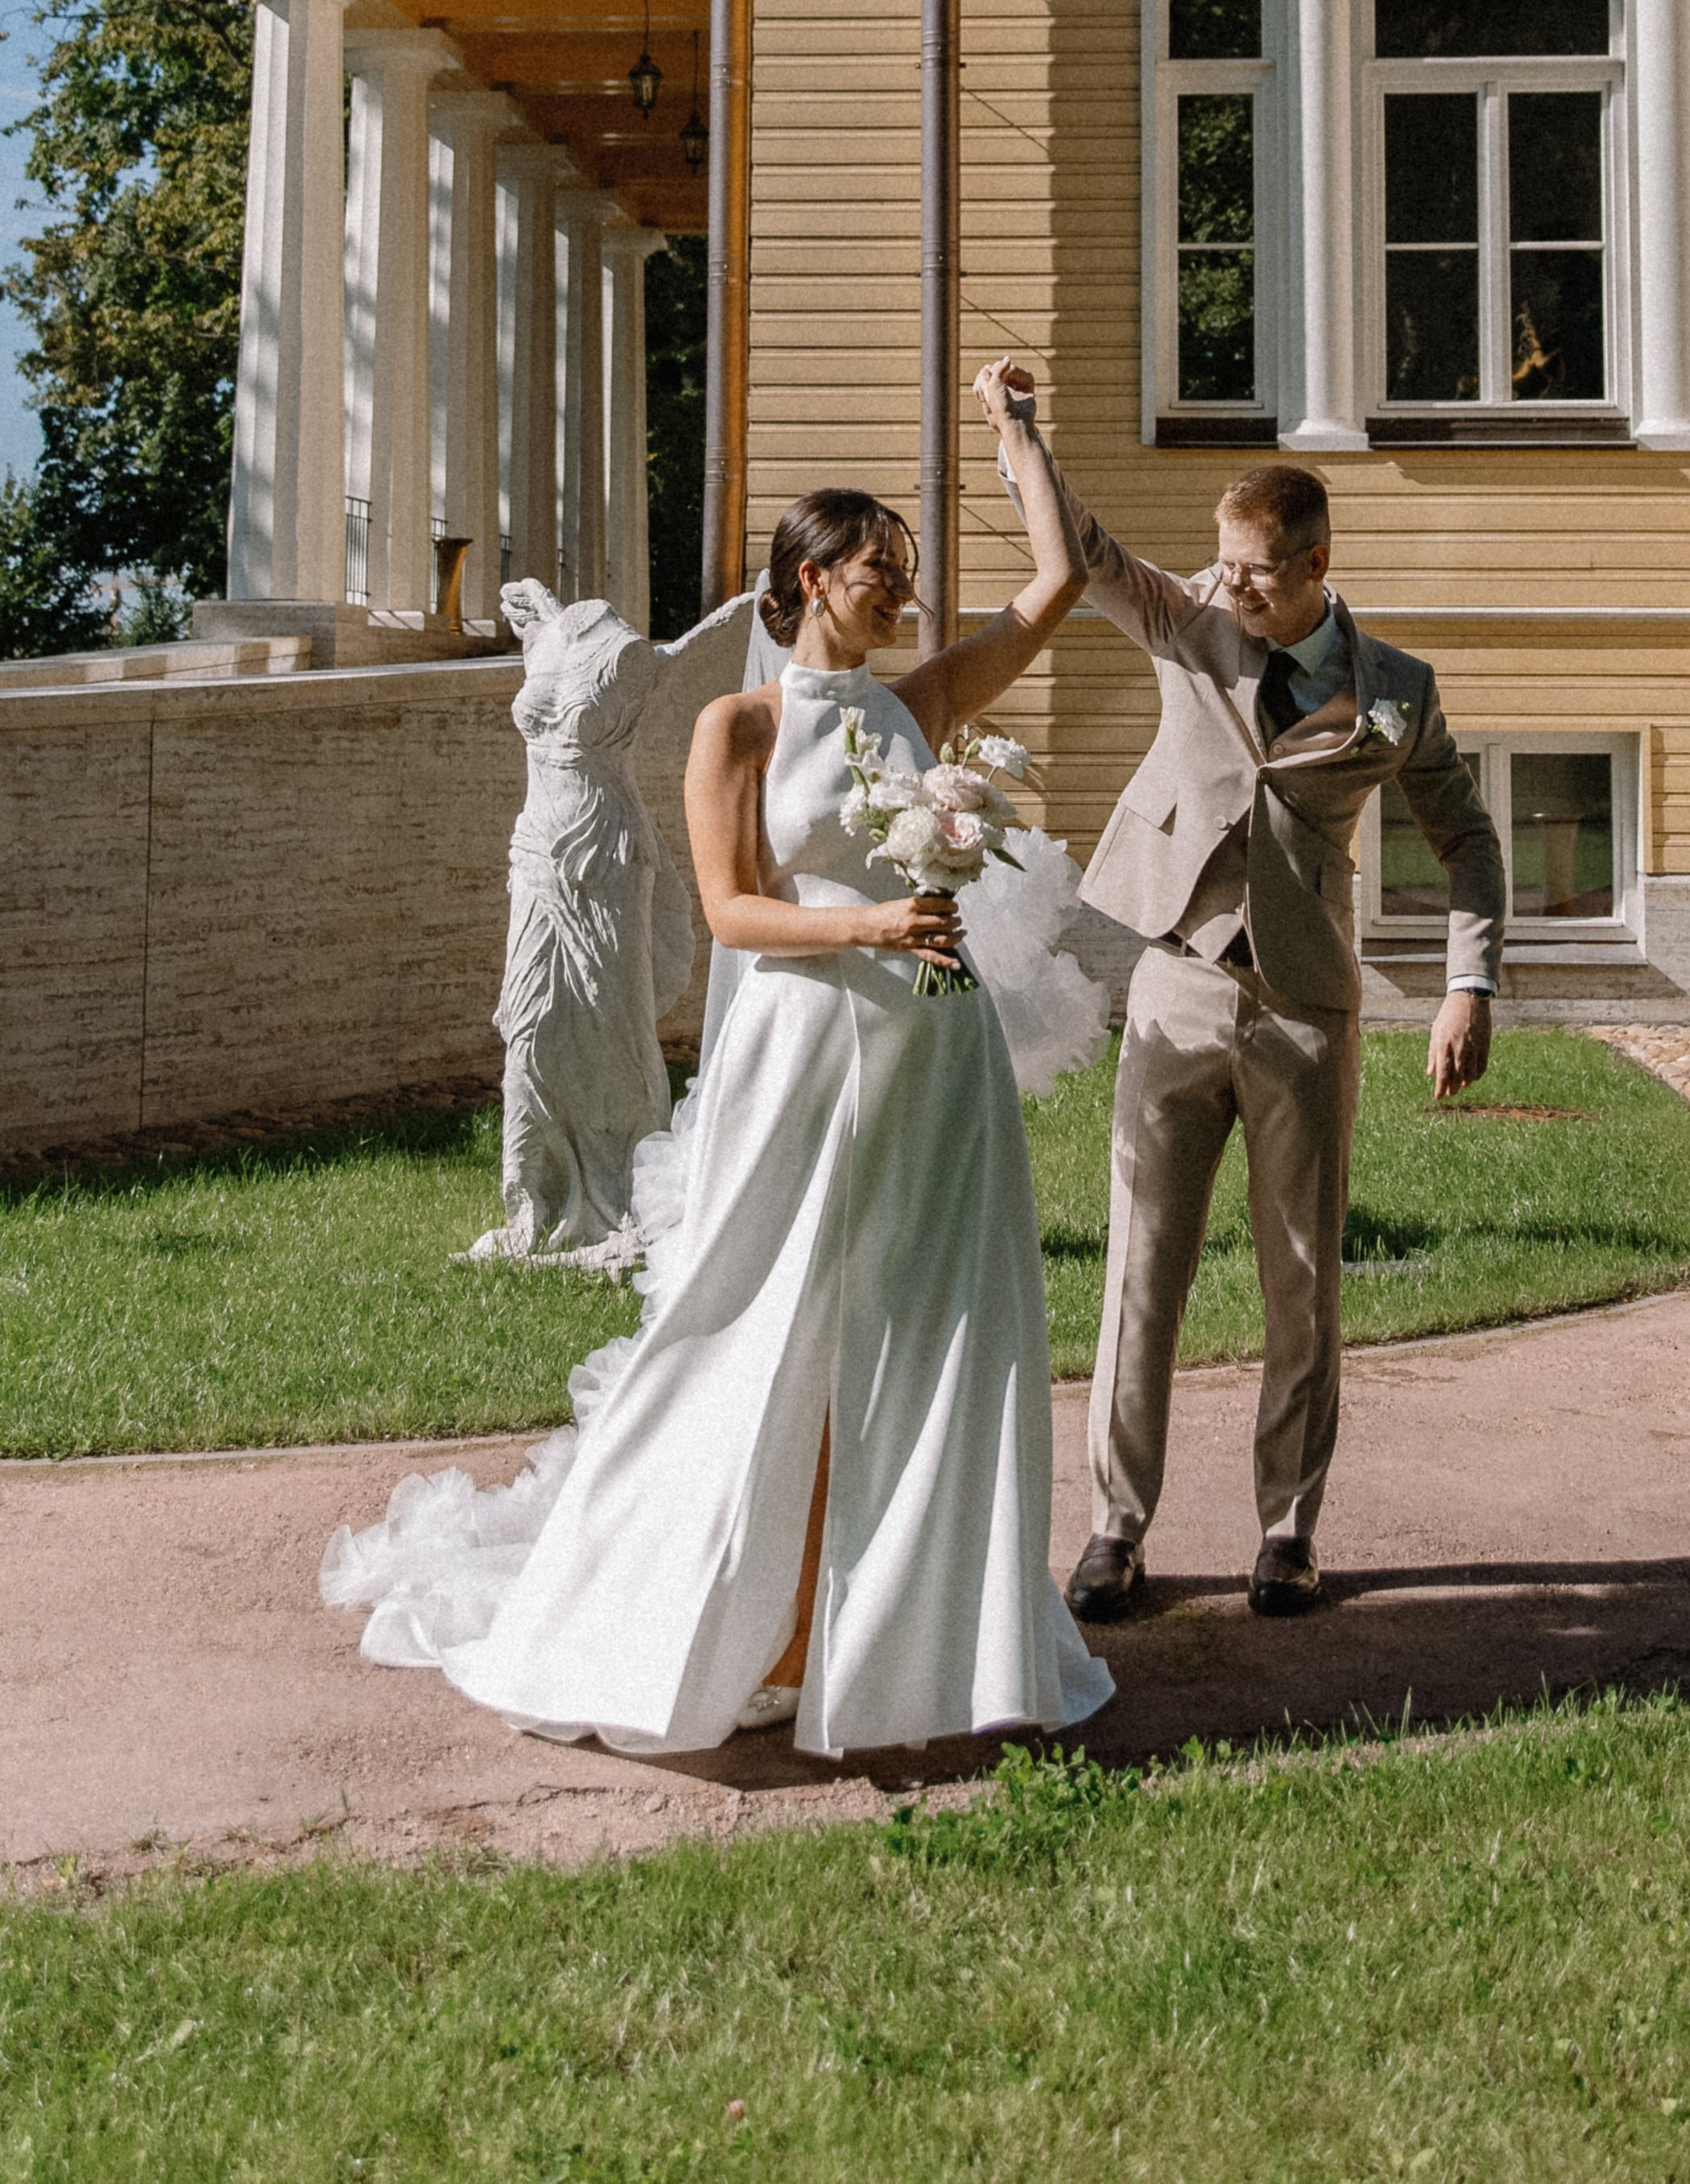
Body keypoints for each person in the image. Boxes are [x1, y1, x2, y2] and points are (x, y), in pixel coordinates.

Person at [323, 362, 1113, 1759]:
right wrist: (876, 913)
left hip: (937, 1059)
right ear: (812, 580)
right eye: (881, 570)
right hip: (800, 1056)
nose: (903, 594)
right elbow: (733, 908)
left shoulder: (915, 710)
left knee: (935, 1337)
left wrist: (1016, 432)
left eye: (908, 573)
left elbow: (1052, 586)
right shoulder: (735, 726)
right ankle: (707, 1613)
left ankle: (904, 1635)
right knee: (751, 1325)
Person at [1010, 424, 1506, 1628]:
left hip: (1306, 1007)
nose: (1232, 588)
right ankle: (1115, 1532)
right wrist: (1021, 434)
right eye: (1224, 566)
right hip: (1176, 985)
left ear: (1318, 562)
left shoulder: (1399, 692)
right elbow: (1084, 547)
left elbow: (1470, 842)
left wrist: (1468, 985)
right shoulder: (1191, 623)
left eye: (1258, 573)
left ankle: (1288, 1534)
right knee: (1142, 1274)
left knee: (1301, 1279)